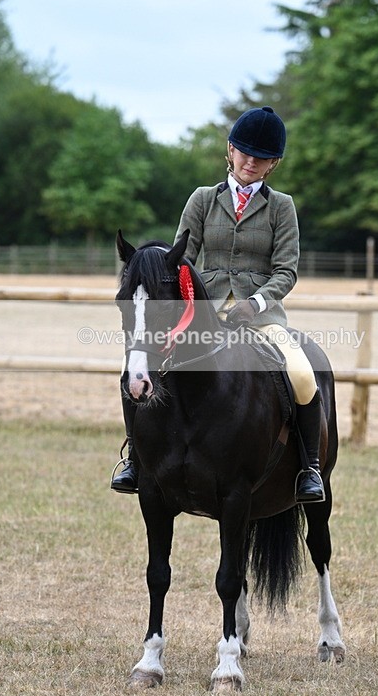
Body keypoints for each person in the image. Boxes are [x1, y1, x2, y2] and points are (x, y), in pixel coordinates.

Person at [111, 106, 325, 503]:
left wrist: (256, 303)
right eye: (244, 152)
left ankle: (309, 469)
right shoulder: (203, 199)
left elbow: (286, 271)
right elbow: (178, 259)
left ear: (273, 163)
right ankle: (134, 459)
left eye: (261, 157)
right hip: (201, 315)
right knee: (138, 366)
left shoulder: (282, 207)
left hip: (260, 318)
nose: (251, 161)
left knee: (302, 374)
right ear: (230, 150)